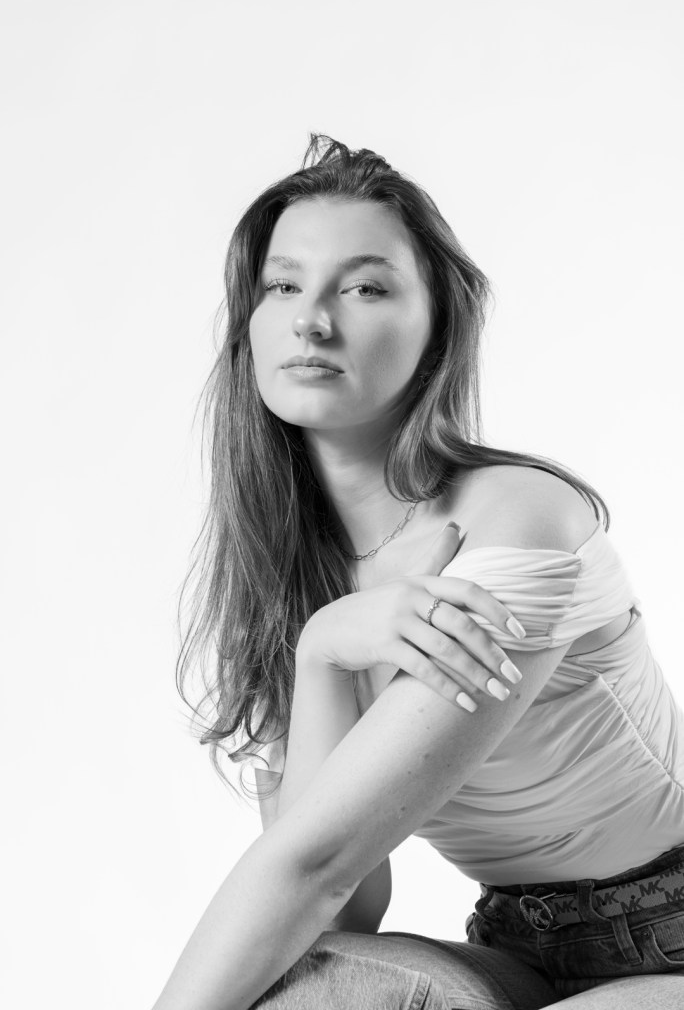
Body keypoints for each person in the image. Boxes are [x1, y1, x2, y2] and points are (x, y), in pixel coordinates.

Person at [151, 135, 684, 1010]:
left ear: (438, 330)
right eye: (283, 285)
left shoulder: (520, 522)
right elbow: (340, 914)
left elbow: (314, 870)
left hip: (672, 934)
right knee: (321, 989)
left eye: (364, 287)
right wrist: (321, 651)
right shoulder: (302, 576)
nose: (313, 320)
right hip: (518, 941)